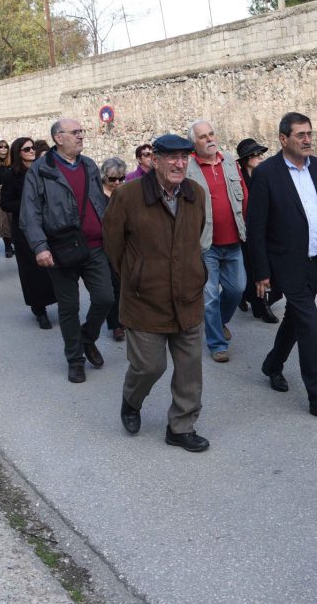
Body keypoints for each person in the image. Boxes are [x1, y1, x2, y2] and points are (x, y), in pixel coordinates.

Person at [246, 112, 317, 423]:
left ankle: (272, 364)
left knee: (297, 316)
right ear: (283, 140)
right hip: (286, 262)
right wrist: (261, 273)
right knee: (309, 323)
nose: (307, 139)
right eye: (300, 135)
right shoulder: (267, 174)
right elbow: (255, 227)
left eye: (309, 133)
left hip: (316, 259)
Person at [102, 134, 210, 452]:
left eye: (184, 157)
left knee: (190, 369)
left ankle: (181, 426)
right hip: (145, 300)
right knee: (150, 366)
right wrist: (137, 276)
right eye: (172, 158)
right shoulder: (128, 195)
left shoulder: (196, 195)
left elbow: (196, 237)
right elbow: (113, 243)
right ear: (155, 160)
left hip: (189, 295)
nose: (179, 164)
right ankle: (131, 401)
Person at [19, 117, 114, 384]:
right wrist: (40, 247)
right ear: (59, 138)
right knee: (69, 306)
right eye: (75, 132)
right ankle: (75, 359)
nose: (81, 136)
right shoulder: (41, 170)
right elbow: (30, 213)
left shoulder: (89, 165)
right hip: (60, 250)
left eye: (81, 131)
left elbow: (100, 202)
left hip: (95, 247)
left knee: (106, 298)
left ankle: (87, 337)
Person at [185, 119, 247, 363]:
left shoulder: (229, 161)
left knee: (237, 289)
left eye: (211, 134)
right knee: (209, 295)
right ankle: (217, 343)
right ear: (194, 143)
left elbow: (244, 194)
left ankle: (219, 322)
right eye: (203, 136)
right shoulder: (189, 170)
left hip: (234, 242)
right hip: (206, 245)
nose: (210, 139)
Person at [0, 137, 55, 329]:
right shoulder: (11, 175)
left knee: (52, 266)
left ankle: (60, 302)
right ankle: (39, 310)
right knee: (32, 270)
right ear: (18, 153)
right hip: (24, 229)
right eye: (27, 149)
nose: (32, 151)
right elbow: (4, 202)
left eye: (33, 148)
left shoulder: (44, 170)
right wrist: (27, 203)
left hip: (47, 224)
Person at [235, 138, 278, 323]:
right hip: (245, 231)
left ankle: (246, 296)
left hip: (266, 229)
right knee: (253, 269)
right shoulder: (238, 180)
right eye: (256, 155)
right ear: (246, 159)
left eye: (261, 154)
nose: (261, 157)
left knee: (271, 267)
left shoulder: (265, 176)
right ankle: (262, 305)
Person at [100, 157, 128, 342]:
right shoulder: (96, 195)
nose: (117, 182)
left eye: (121, 178)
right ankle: (116, 325)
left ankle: (126, 318)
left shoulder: (125, 194)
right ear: (104, 178)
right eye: (112, 179)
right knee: (111, 287)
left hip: (125, 246)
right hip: (102, 247)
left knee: (124, 284)